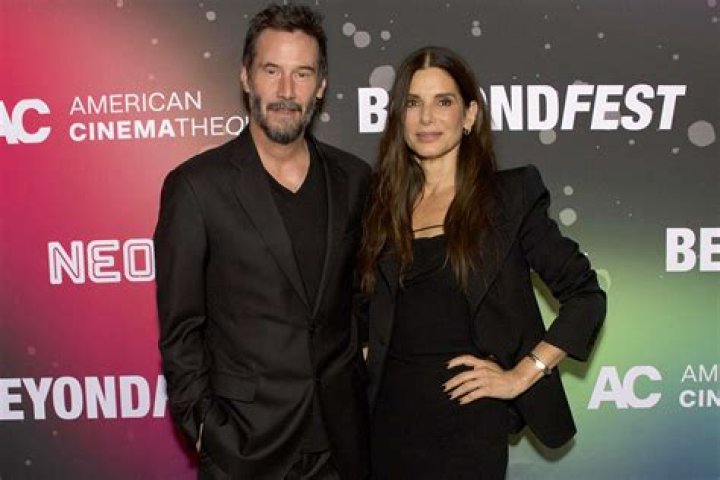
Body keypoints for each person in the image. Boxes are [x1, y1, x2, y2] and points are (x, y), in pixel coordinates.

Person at [358, 46, 606, 479]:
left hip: (469, 427)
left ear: (469, 115)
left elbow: (586, 297)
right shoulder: (378, 204)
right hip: (388, 423)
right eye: (413, 103)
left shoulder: (510, 197)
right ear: (398, 117)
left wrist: (522, 374)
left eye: (443, 101)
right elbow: (361, 309)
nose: (427, 117)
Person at [153, 4, 370, 479]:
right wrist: (208, 430)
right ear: (246, 77)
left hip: (342, 445)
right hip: (245, 448)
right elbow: (181, 331)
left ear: (321, 85)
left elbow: (362, 302)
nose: (286, 91)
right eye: (272, 71)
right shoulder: (196, 187)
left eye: (302, 73)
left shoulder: (354, 179)